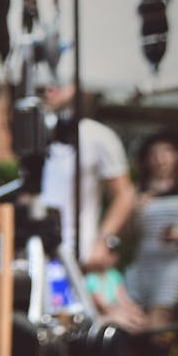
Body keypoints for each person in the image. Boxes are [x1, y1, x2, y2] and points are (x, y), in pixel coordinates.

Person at [38, 85, 134, 272]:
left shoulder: (99, 135)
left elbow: (125, 195)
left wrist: (104, 242)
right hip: (40, 251)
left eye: (59, 84)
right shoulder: (40, 132)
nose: (49, 90)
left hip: (78, 252)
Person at [126, 129, 178, 328]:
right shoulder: (138, 190)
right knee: (134, 319)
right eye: (154, 154)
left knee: (158, 320)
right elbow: (128, 235)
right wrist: (136, 211)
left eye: (166, 152)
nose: (160, 159)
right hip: (143, 262)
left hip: (173, 265)